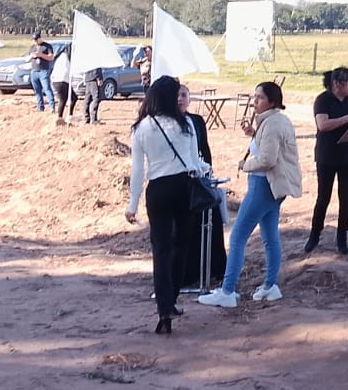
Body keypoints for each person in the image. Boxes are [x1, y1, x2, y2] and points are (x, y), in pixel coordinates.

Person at [198, 81, 302, 308]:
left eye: (260, 98)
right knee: (269, 236)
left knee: (237, 237)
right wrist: (253, 135)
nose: (254, 102)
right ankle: (270, 285)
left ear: (272, 102)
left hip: (263, 185)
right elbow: (268, 147)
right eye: (254, 98)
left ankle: (227, 291)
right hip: (273, 186)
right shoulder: (276, 121)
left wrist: (244, 164)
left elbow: (267, 159)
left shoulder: (272, 124)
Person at [125, 75, 214, 335]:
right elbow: (195, 163)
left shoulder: (142, 127)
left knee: (160, 249)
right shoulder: (186, 123)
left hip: (158, 189)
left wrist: (132, 204)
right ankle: (172, 299)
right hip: (184, 187)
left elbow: (138, 171)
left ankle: (164, 307)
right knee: (181, 246)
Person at [304, 68, 348, 256]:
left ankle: (342, 237)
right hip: (327, 155)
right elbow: (323, 125)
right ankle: (314, 235)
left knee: (345, 197)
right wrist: (347, 118)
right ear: (337, 84)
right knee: (323, 197)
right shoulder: (323, 100)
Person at [178, 83, 227, 289]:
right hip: (181, 180)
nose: (180, 99)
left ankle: (215, 269)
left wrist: (208, 173)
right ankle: (187, 274)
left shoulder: (197, 120)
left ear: (189, 98)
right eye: (177, 95)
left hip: (201, 177)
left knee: (212, 221)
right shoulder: (171, 123)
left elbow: (204, 149)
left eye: (184, 95)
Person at [28, 34, 55, 112]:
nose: (35, 41)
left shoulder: (47, 46)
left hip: (43, 71)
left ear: (40, 38)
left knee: (47, 88)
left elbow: (51, 57)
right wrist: (32, 56)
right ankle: (40, 107)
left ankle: (52, 106)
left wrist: (41, 55)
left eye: (36, 39)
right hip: (34, 71)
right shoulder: (33, 47)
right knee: (37, 90)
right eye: (34, 40)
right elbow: (28, 59)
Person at [51, 44, 77, 124]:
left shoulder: (61, 57)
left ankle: (69, 115)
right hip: (61, 80)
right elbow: (66, 71)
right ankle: (60, 117)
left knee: (73, 97)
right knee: (64, 99)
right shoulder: (64, 58)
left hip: (59, 80)